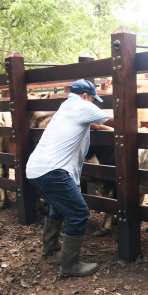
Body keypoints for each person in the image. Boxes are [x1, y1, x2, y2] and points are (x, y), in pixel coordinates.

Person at [26, 79, 113, 277]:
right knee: (80, 213)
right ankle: (70, 265)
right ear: (84, 96)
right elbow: (114, 120)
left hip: (36, 169)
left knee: (59, 206)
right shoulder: (82, 106)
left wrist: (110, 131)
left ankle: (49, 245)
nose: (94, 103)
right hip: (53, 172)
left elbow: (98, 127)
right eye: (93, 99)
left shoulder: (65, 107)